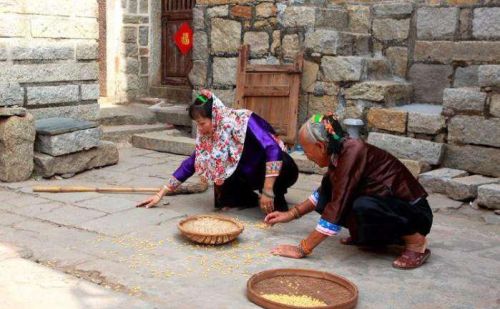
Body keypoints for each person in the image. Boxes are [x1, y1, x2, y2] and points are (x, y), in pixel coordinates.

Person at [265, 113, 433, 269]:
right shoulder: (338, 152)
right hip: (390, 205)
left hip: (415, 214)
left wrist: (303, 248)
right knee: (328, 200)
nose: (308, 156)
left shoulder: (353, 150)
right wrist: (291, 214)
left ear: (320, 146)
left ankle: (416, 242)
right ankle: (371, 238)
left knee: (363, 205)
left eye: (307, 151)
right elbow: (325, 192)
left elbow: (338, 204)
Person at [137, 90, 299, 214]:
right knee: (224, 197)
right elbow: (192, 162)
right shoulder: (210, 135)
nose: (200, 129)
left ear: (215, 116)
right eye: (197, 124)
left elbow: (272, 149)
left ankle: (273, 194)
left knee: (278, 181)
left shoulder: (243, 120)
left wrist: (268, 189)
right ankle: (250, 198)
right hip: (246, 174)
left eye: (202, 123)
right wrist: (162, 192)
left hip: (276, 171)